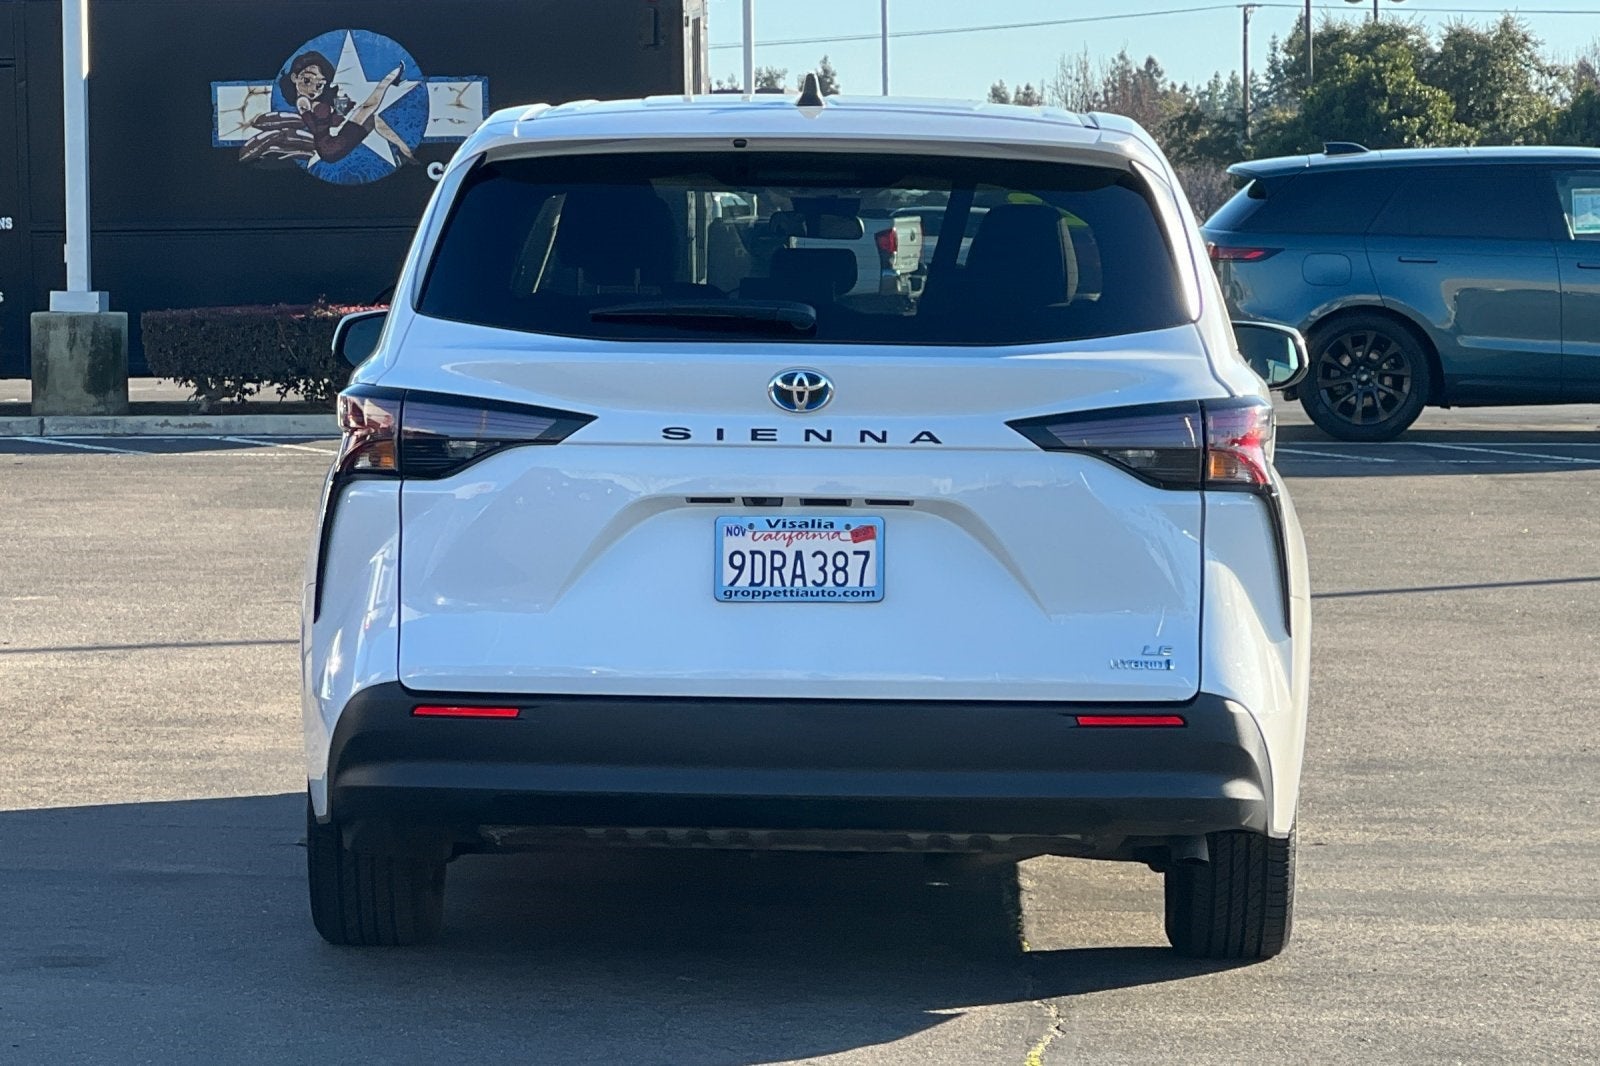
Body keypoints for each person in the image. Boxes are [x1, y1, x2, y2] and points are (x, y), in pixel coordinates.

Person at [240, 50, 416, 168]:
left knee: (373, 117)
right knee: (369, 106)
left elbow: (330, 121)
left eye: (320, 84)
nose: (313, 88)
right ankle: (392, 77)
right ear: (294, 78)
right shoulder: (303, 102)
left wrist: (339, 111)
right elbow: (315, 124)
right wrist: (332, 113)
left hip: (334, 141)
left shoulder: (315, 103)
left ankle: (403, 151)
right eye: (307, 80)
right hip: (330, 147)